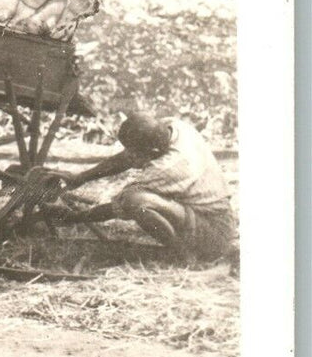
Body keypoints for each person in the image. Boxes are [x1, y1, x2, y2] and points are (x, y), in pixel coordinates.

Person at [39, 112, 236, 264]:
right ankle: (182, 251)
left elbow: (122, 205)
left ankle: (185, 256)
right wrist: (81, 177)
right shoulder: (175, 127)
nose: (131, 158)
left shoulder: (169, 167)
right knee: (138, 198)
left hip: (213, 233)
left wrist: (75, 218)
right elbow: (127, 157)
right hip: (204, 215)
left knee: (137, 201)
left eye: (136, 154)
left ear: (153, 152)